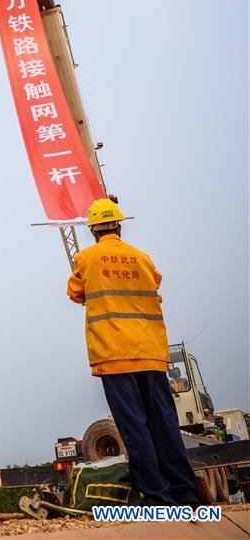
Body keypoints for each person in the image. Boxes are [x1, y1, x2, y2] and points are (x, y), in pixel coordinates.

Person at [67, 198, 199, 508]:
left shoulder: (86, 258)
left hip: (114, 356)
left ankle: (157, 499)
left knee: (134, 427)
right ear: (120, 226)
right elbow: (155, 281)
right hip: (151, 353)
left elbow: (75, 293)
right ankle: (185, 494)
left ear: (92, 230)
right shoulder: (142, 258)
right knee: (164, 424)